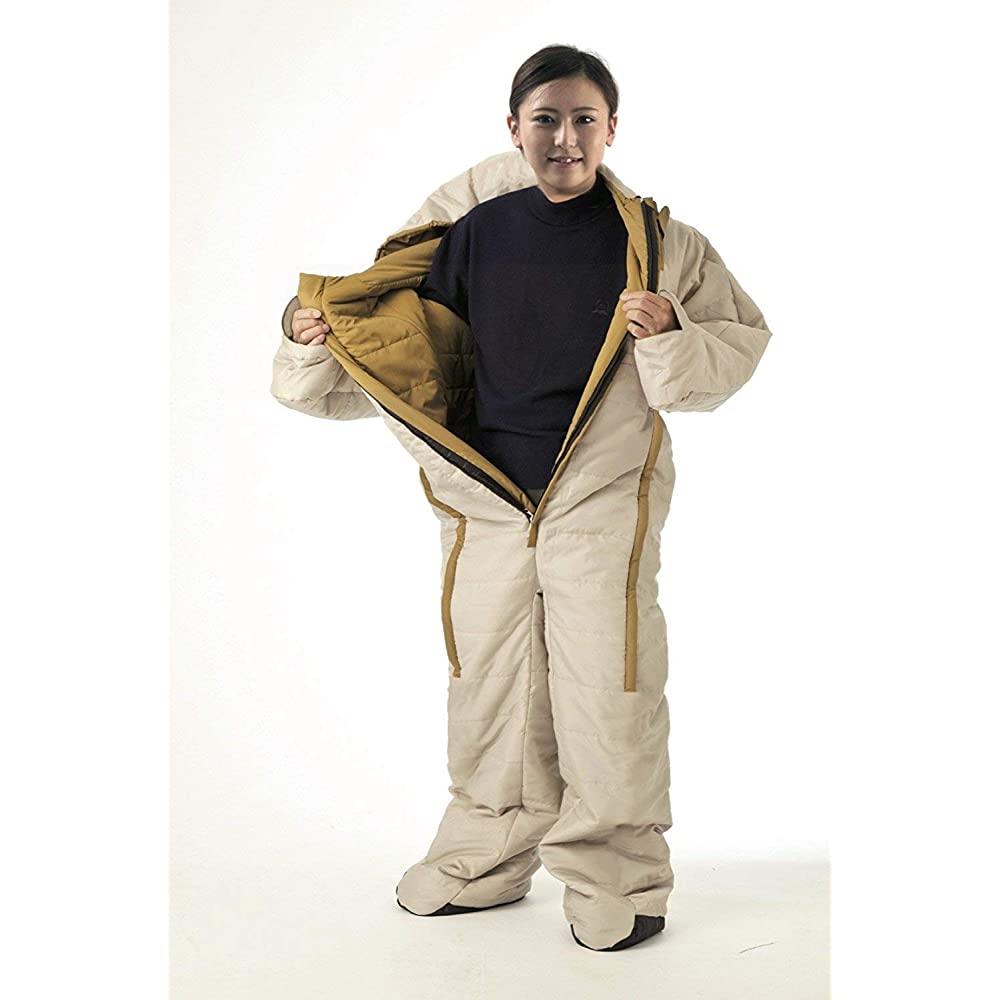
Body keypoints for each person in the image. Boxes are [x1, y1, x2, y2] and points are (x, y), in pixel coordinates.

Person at [271, 44, 772, 952]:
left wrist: (670, 332)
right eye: (545, 119)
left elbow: (739, 343)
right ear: (514, 128)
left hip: (601, 501)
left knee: (609, 689)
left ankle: (619, 878)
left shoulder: (662, 245)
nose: (564, 138)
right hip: (487, 502)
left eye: (584, 119)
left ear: (612, 130)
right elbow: (398, 351)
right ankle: (485, 857)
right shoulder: (471, 232)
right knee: (490, 688)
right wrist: (312, 333)